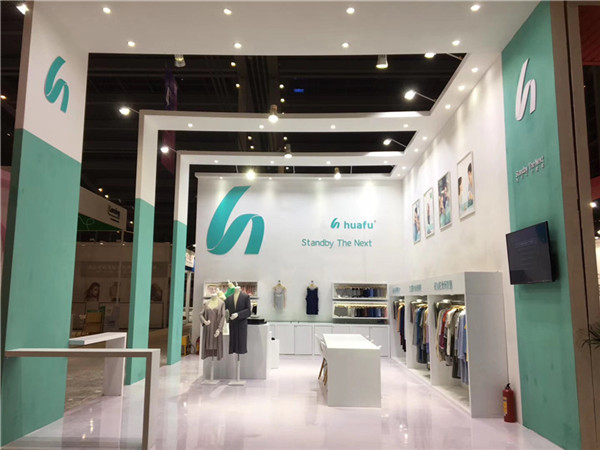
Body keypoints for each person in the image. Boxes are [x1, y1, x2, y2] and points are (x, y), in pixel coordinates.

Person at [225, 285, 251, 354]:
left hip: (241, 323)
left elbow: (248, 311)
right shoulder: (229, 298)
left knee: (241, 343)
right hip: (232, 324)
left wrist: (238, 314)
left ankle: (239, 356)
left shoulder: (245, 297)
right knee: (233, 343)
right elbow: (224, 309)